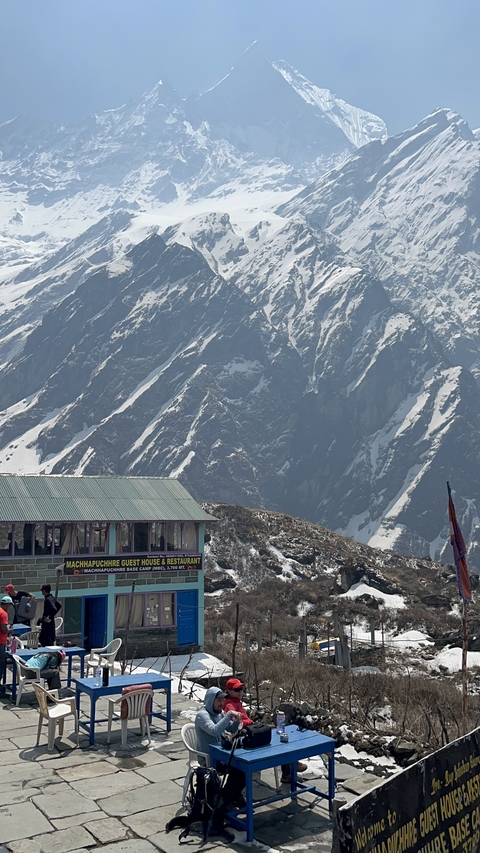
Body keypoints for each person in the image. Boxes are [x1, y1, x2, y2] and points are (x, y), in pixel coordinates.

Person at [224, 679, 307, 784]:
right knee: (276, 742)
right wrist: (249, 722)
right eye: (237, 690)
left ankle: (290, 766)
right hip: (244, 736)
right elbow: (235, 723)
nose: (240, 692)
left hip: (251, 729)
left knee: (277, 733)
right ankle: (289, 768)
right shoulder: (229, 705)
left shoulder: (237, 702)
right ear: (229, 691)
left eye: (241, 689)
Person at [195, 686, 245, 808]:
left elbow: (231, 728)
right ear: (210, 700)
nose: (221, 704)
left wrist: (237, 721)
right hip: (208, 758)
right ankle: (226, 798)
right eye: (218, 701)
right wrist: (228, 715)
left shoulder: (219, 713)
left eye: (223, 701)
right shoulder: (202, 715)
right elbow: (214, 731)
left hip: (221, 755)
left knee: (244, 768)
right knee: (238, 771)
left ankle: (230, 797)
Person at [0, 594, 13, 695]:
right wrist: (9, 631)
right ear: (6, 605)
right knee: (1, 665)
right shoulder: (3, 614)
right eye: (9, 605)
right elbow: (4, 628)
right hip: (0, 642)